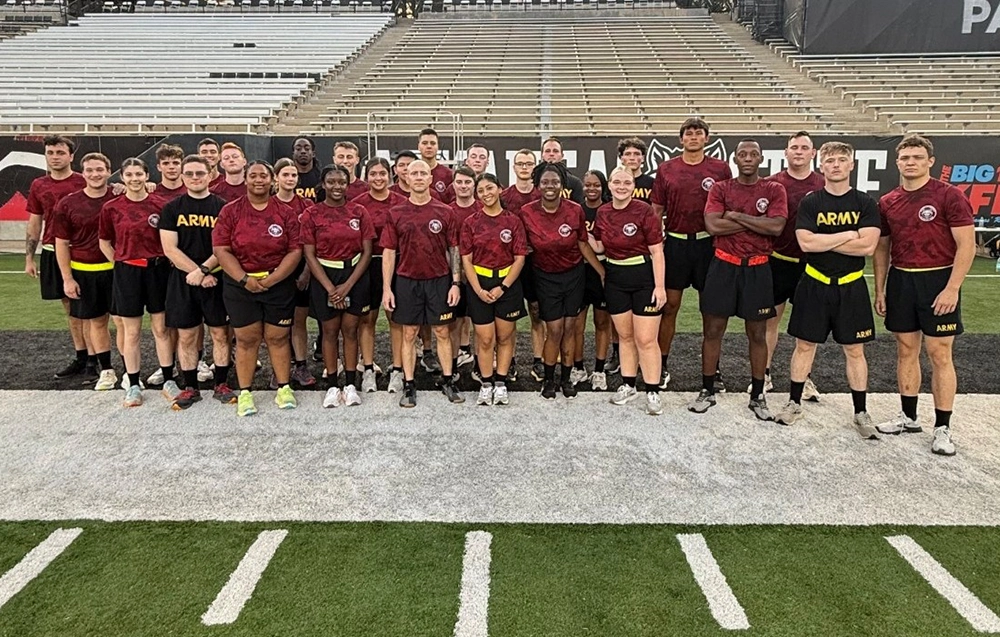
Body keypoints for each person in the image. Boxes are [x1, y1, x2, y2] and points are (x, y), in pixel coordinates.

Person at [873, 135, 975, 456]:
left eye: (917, 157)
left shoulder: (949, 195)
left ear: (930, 161)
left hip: (938, 279)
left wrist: (952, 288)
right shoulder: (888, 201)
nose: (911, 162)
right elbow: (882, 249)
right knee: (905, 350)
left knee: (940, 353)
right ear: (897, 162)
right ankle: (909, 417)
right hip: (902, 280)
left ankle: (943, 427)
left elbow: (967, 245)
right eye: (905, 158)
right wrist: (880, 288)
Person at [774, 142, 881, 439]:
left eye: (841, 160)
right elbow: (806, 243)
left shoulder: (865, 202)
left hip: (851, 285)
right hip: (814, 282)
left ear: (851, 165)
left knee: (855, 350)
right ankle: (794, 402)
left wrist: (826, 239)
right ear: (821, 166)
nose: (835, 165)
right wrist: (848, 234)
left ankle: (861, 411)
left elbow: (868, 246)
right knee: (804, 345)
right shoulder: (811, 202)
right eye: (830, 160)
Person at [689, 139, 788, 421]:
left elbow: (776, 227)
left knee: (757, 334)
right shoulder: (721, 188)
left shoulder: (773, 189)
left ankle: (757, 395)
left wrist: (734, 216)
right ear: (735, 158)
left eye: (753, 154)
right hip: (723, 265)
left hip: (757, 268)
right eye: (742, 154)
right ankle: (707, 390)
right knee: (713, 331)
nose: (747, 158)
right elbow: (712, 225)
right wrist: (757, 221)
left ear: (761, 159)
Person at [212, 161, 302, 417]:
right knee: (246, 339)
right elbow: (221, 249)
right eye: (253, 175)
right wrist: (244, 279)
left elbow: (295, 250)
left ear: (272, 179)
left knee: (278, 337)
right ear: (246, 179)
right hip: (240, 285)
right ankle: (245, 392)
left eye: (264, 175)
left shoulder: (285, 213)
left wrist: (273, 279)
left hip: (278, 284)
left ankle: (284, 388)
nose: (259, 180)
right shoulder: (231, 211)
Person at [651, 117, 733, 391]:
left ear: (707, 138)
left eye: (699, 133)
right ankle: (661, 364)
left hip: (708, 245)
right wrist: (655, 243)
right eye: (689, 133)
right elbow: (656, 209)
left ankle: (713, 369)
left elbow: (728, 207)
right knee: (669, 306)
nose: (694, 137)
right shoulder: (667, 169)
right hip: (675, 244)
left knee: (711, 309)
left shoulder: (720, 168)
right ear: (681, 139)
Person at [381, 159, 463, 408]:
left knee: (442, 331)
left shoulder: (445, 212)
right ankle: (409, 384)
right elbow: (389, 252)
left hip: (439, 280)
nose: (418, 177)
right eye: (413, 173)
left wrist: (456, 283)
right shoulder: (396, 212)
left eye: (422, 173)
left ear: (430, 178)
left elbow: (454, 249)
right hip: (407, 281)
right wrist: (387, 288)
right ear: (405, 177)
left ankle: (448, 380)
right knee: (409, 333)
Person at [519, 162, 604, 399]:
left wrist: (600, 271)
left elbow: (582, 244)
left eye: (555, 182)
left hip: (573, 276)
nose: (550, 186)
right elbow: (522, 247)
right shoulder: (527, 212)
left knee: (569, 328)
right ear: (538, 185)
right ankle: (549, 379)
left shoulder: (574, 210)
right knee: (554, 330)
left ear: (562, 185)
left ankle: (566, 379)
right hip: (544, 277)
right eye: (545, 182)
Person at [158, 154, 237, 409]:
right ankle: (190, 387)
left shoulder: (223, 207)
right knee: (187, 336)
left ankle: (221, 383)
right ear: (182, 176)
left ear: (210, 175)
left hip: (217, 279)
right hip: (184, 281)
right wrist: (198, 274)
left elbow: (225, 247)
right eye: (189, 174)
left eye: (200, 173)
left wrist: (204, 271)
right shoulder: (172, 208)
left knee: (220, 334)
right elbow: (170, 249)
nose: (195, 178)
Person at [98, 158, 177, 408]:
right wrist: (120, 262)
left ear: (146, 176)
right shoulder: (111, 208)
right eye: (129, 174)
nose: (134, 179)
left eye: (138, 174)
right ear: (122, 177)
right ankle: (132, 384)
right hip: (128, 272)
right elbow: (104, 241)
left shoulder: (160, 205)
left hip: (157, 270)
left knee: (161, 329)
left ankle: (168, 380)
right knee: (131, 331)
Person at [593, 167, 666, 414]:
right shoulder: (603, 212)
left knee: (646, 339)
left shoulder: (644, 211)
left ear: (633, 186)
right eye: (617, 182)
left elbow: (657, 251)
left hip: (644, 278)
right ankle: (629, 384)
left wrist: (659, 286)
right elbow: (600, 247)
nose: (621, 186)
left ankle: (653, 390)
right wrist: (578, 232)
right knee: (625, 336)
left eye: (626, 182)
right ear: (610, 185)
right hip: (615, 278)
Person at [302, 164, 375, 409]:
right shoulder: (312, 214)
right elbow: (309, 254)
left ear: (347, 184)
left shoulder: (359, 211)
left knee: (351, 330)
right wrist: (331, 288)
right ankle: (333, 385)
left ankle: (351, 384)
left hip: (354, 275)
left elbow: (367, 251)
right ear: (323, 184)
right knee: (330, 331)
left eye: (341, 182)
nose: (337, 186)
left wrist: (347, 285)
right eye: (331, 182)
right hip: (324, 275)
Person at [761, 132, 825, 398]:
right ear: (785, 152)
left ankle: (804, 377)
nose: (799, 151)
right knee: (769, 322)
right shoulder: (771, 183)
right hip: (778, 261)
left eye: (804, 147)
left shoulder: (824, 183)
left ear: (813, 153)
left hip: (812, 264)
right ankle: (763, 374)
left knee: (807, 325)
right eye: (794, 147)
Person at [24, 135, 89, 380]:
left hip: (83, 251)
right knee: (69, 307)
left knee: (92, 310)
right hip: (53, 251)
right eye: (50, 153)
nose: (55, 157)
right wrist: (29, 257)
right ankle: (81, 356)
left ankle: (97, 359)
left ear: (71, 156)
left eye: (60, 152)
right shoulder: (39, 185)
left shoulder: (84, 180)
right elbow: (35, 222)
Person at [51, 152, 117, 391]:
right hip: (85, 272)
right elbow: (61, 243)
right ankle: (106, 370)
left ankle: (132, 372)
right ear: (83, 173)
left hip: (117, 271)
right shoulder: (68, 204)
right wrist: (67, 278)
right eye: (89, 170)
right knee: (96, 322)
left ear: (109, 171)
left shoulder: (119, 197)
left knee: (123, 322)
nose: (95, 174)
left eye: (99, 169)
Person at [461, 173, 527, 406]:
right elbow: (466, 259)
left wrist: (503, 286)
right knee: (485, 338)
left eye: (490, 188)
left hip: (507, 285)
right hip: (480, 285)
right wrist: (478, 290)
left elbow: (520, 257)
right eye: (481, 191)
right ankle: (486, 383)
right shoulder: (471, 222)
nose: (486, 194)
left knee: (505, 336)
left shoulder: (513, 221)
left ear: (499, 189)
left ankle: (501, 382)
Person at [353, 158, 408, 393]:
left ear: (390, 175)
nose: (378, 178)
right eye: (373, 174)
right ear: (366, 177)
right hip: (367, 265)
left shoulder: (401, 202)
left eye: (382, 173)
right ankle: (367, 368)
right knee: (367, 319)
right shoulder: (357, 205)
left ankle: (397, 369)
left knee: (396, 318)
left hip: (397, 264)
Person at [273, 158, 317, 389]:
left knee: (298, 320)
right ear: (276, 178)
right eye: (285, 175)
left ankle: (301, 365)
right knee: (276, 324)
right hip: (274, 270)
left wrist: (307, 272)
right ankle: (279, 368)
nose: (290, 179)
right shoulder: (267, 204)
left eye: (293, 175)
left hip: (301, 269)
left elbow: (312, 242)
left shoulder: (307, 205)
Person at [501, 148, 543, 382]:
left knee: (537, 312)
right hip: (512, 263)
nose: (524, 167)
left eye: (529, 163)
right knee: (510, 316)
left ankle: (539, 360)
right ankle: (510, 360)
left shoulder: (541, 194)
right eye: (520, 163)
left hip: (537, 262)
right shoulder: (505, 196)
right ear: (514, 167)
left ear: (534, 167)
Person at [574, 169, 613, 390]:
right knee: (576, 324)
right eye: (588, 184)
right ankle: (578, 368)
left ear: (603, 186)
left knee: (602, 322)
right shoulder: (576, 210)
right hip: (579, 271)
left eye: (596, 185)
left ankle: (599, 370)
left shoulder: (608, 210)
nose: (591, 189)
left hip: (603, 270)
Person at [449, 166, 481, 372]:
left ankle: (480, 365)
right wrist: (456, 274)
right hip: (455, 275)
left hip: (480, 274)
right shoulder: (447, 211)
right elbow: (448, 246)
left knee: (481, 322)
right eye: (459, 182)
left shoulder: (482, 208)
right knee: (455, 321)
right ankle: (452, 366)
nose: (463, 186)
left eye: (467, 182)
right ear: (453, 185)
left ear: (474, 185)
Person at [540, 137, 585, 205]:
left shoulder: (574, 183)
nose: (551, 154)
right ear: (542, 155)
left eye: (555, 151)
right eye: (547, 151)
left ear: (562, 155)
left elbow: (579, 208)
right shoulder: (535, 182)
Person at [418, 128, 454, 202]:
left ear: (438, 147)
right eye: (424, 143)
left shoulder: (449, 174)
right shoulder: (412, 173)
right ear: (418, 147)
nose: (429, 146)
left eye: (433, 143)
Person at [617, 136, 654, 203]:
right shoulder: (615, 183)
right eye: (628, 154)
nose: (632, 158)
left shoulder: (653, 183)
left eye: (636, 154)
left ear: (643, 158)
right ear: (621, 158)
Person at [291, 136, 322, 200]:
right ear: (293, 154)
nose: (303, 151)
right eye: (298, 149)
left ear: (313, 154)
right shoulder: (288, 178)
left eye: (307, 149)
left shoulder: (321, 178)